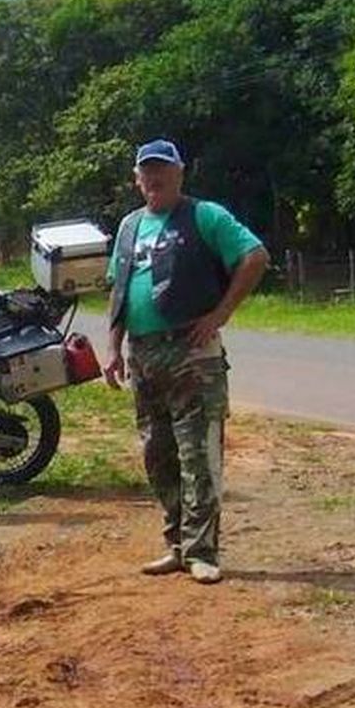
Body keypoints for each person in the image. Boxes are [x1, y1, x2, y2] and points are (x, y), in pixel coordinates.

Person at [104, 138, 269, 585]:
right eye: (146, 172)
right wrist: (113, 347)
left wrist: (221, 314)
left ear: (180, 173)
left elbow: (255, 256)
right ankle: (176, 544)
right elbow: (118, 289)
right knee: (158, 454)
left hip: (192, 353)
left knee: (199, 453)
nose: (154, 178)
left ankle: (202, 551)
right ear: (137, 179)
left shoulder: (205, 216)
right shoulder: (129, 226)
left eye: (162, 169)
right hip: (143, 353)